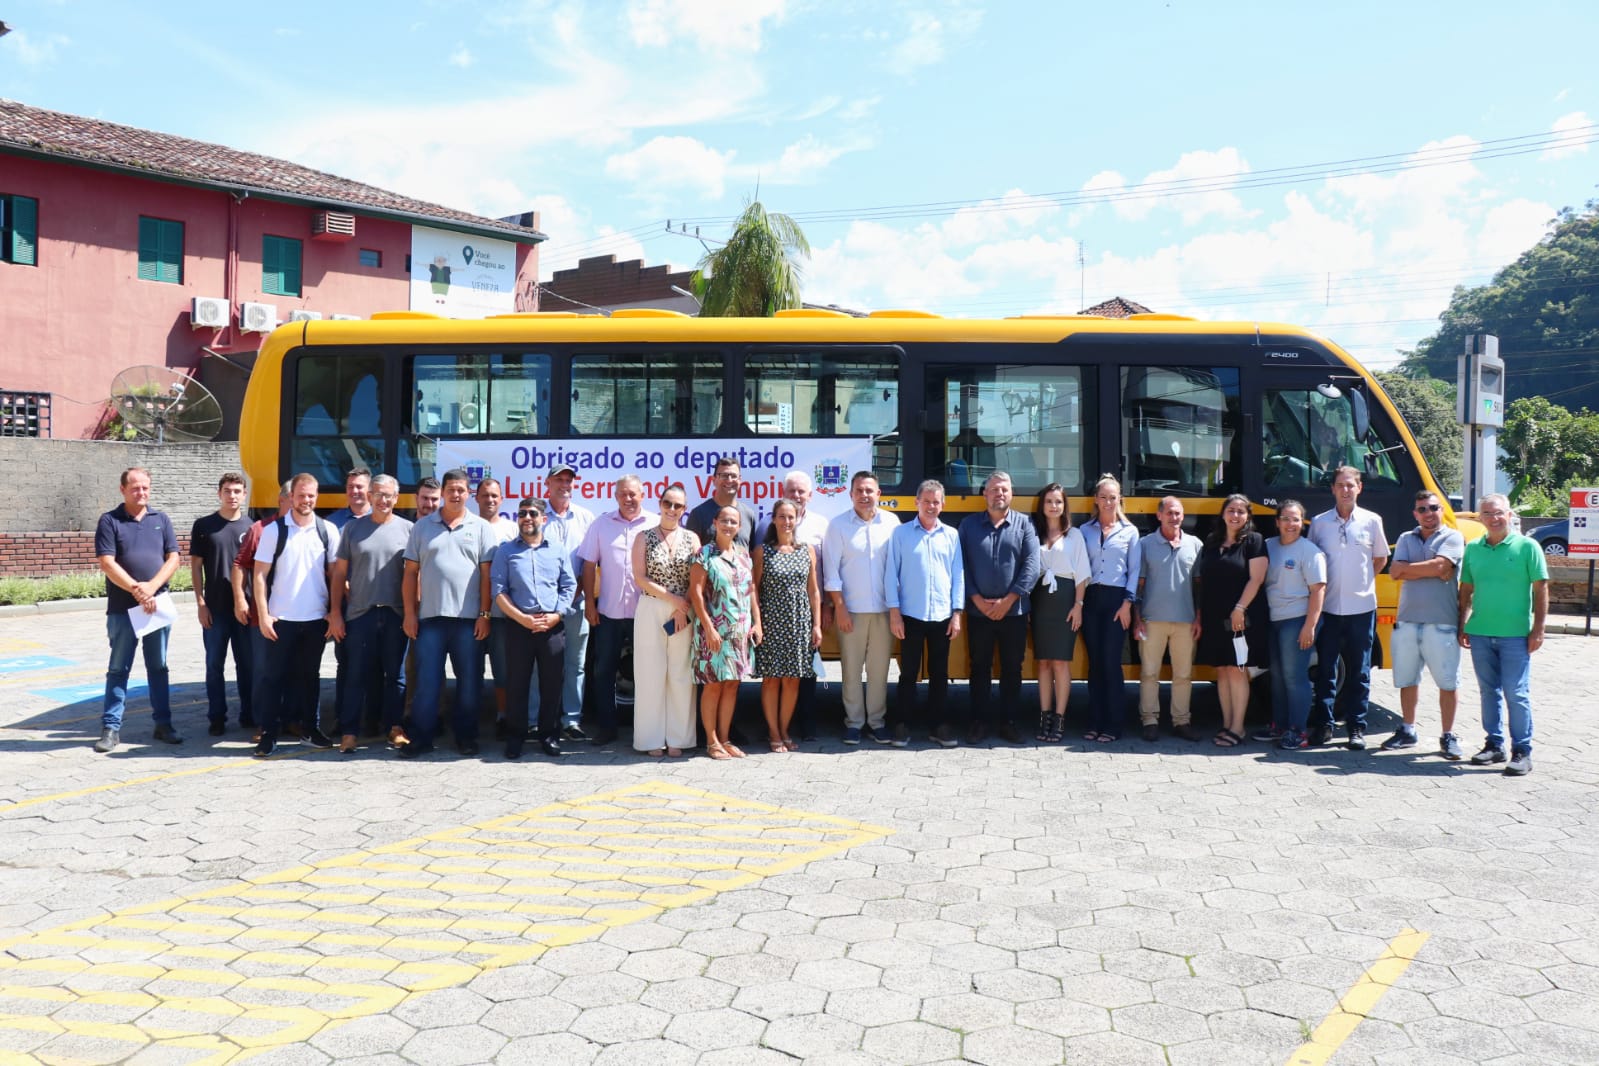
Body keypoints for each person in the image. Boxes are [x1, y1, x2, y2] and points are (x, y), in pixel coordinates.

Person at [401, 468, 496, 758]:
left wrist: (484, 614)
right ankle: (422, 738)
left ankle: (466, 737)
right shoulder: (422, 527)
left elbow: (487, 576)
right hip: (429, 620)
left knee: (469, 682)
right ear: (443, 492)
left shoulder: (481, 528)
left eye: (461, 490)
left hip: (469, 622)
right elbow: (409, 574)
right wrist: (409, 614)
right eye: (451, 489)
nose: (456, 494)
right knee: (427, 683)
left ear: (469, 494)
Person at [93, 467, 183, 753]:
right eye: (135, 488)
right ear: (123, 490)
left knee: (159, 667)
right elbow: (107, 563)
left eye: (145, 487)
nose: (141, 492)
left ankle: (164, 724)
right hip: (123, 610)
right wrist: (137, 589)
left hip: (157, 607)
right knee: (119, 669)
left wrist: (152, 588)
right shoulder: (110, 521)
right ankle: (111, 728)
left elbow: (174, 558)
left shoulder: (161, 519)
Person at [1458, 494, 1548, 777]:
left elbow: (1541, 589)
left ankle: (1522, 750)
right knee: (1488, 692)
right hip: (1481, 632)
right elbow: (1466, 591)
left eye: (1498, 513)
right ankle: (1494, 744)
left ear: (1509, 515)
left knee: (1516, 692)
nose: (1493, 518)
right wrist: (1463, 625)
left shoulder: (1527, 547)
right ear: (1481, 518)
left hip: (1516, 635)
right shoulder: (1473, 548)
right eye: (1487, 513)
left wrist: (1539, 629)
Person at [252, 473, 340, 757]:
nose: (306, 500)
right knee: (273, 678)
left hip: (315, 619)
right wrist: (264, 615)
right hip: (281, 620)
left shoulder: (327, 530)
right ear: (291, 497)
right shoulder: (274, 531)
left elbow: (336, 576)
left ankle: (310, 730)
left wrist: (335, 611)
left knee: (310, 678)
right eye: (301, 495)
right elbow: (259, 576)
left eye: (311, 496)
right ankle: (269, 733)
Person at [328, 474, 412, 753]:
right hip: (359, 614)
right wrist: (335, 613)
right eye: (378, 494)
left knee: (395, 676)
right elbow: (339, 574)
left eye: (389, 495)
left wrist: (413, 613)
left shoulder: (409, 530)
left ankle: (395, 728)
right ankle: (350, 732)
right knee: (355, 674)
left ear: (396, 498)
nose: (383, 500)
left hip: (395, 614)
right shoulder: (352, 530)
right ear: (370, 496)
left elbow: (415, 576)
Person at [1307, 466, 1389, 749]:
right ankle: (1324, 726)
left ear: (1359, 488)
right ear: (1332, 489)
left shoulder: (1372, 521)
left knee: (1359, 671)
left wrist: (1361, 581)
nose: (1345, 490)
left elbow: (1379, 559)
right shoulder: (1319, 523)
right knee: (1326, 670)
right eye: (1340, 485)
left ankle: (1356, 728)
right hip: (1328, 608)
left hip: (1362, 608)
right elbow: (1311, 561)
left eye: (1350, 485)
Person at [959, 471, 1041, 746]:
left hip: (1014, 613)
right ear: (985, 494)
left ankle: (1009, 722)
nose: (999, 494)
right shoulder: (968, 526)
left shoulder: (1025, 524)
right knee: (979, 668)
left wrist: (1009, 600)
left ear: (1012, 494)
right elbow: (961, 567)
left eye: (1004, 490)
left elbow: (1032, 566)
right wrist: (976, 599)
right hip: (978, 612)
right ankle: (978, 722)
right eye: (994, 490)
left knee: (1012, 669)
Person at [491, 498, 576, 760]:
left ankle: (548, 736)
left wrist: (557, 614)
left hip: (551, 627)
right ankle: (516, 737)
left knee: (552, 685)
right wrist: (521, 619)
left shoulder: (558, 550)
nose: (527, 518)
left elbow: (569, 585)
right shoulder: (505, 551)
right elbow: (499, 591)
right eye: (522, 514)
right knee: (517, 684)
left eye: (532, 513)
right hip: (519, 627)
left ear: (543, 519)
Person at [1383, 490, 1466, 759]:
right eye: (1422, 509)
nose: (1428, 513)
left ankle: (1448, 735)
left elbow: (1443, 566)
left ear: (1441, 509)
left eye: (1433, 507)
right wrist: (1432, 569)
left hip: (1442, 623)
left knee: (1447, 682)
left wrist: (1413, 568)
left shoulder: (1453, 536)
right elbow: (1395, 572)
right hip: (1407, 621)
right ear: (1415, 513)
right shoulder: (1406, 537)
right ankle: (1408, 730)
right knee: (1407, 679)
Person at [577, 475, 659, 746]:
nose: (628, 498)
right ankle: (606, 728)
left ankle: (646, 728)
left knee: (648, 673)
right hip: (608, 614)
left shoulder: (656, 524)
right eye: (623, 494)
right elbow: (589, 566)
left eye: (633, 494)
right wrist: (589, 602)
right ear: (615, 496)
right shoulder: (601, 524)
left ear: (643, 494)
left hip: (645, 615)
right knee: (603, 673)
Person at [885, 480, 964, 748]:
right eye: (926, 501)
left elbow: (958, 576)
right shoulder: (901, 534)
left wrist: (956, 613)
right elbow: (890, 575)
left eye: (936, 501)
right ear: (917, 502)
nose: (931, 506)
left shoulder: (951, 535)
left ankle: (938, 725)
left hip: (942, 615)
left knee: (939, 673)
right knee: (908, 673)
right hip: (910, 614)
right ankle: (903, 724)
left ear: (943, 504)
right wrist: (894, 613)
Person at [823, 471, 899, 745]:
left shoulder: (892, 523)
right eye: (859, 491)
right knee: (851, 670)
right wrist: (839, 607)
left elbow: (897, 569)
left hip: (883, 610)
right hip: (851, 610)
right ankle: (854, 723)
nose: (865, 495)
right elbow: (831, 572)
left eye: (870, 490)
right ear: (851, 494)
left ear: (879, 494)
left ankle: (877, 723)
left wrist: (895, 610)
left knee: (879, 671)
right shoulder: (838, 526)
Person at [756, 470, 830, 741]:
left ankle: (785, 729)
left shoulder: (807, 549)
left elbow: (814, 590)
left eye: (791, 517)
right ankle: (774, 733)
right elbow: (754, 588)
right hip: (771, 622)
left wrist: (817, 625)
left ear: (798, 519)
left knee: (793, 680)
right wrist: (757, 622)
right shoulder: (762, 551)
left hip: (800, 623)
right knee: (772, 679)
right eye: (782, 516)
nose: (787, 521)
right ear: (773, 519)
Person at [630, 483, 701, 757]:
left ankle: (678, 739)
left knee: (681, 675)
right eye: (668, 503)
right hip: (652, 607)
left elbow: (696, 578)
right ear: (660, 504)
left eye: (678, 505)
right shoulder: (643, 537)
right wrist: (675, 602)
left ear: (684, 510)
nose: (672, 509)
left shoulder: (692, 539)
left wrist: (684, 608)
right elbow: (640, 577)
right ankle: (650, 740)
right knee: (650, 674)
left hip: (684, 610)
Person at [1196, 493, 1269, 747]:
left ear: (1248, 516)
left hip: (1241, 617)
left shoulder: (1254, 541)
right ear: (1223, 513)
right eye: (1231, 510)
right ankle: (1226, 723)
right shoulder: (1212, 542)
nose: (1235, 515)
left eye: (1241, 511)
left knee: (1238, 671)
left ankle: (1238, 727)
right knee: (1223, 671)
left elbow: (1256, 579)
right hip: (1215, 617)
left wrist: (1240, 608)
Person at [690, 505, 762, 758]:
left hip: (740, 632)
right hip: (714, 632)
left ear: (739, 526)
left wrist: (757, 623)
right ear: (715, 523)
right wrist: (709, 628)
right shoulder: (704, 554)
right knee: (713, 685)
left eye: (733, 522)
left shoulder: (744, 555)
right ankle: (711, 741)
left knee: (732, 685)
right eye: (724, 521)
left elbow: (751, 591)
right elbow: (696, 594)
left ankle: (725, 737)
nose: (728, 525)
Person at [534, 463, 595, 744]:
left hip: (576, 602)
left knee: (575, 664)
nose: (564, 485)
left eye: (569, 480)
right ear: (547, 483)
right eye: (559, 480)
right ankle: (536, 720)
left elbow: (590, 564)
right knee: (540, 663)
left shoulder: (585, 518)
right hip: (542, 605)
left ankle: (571, 720)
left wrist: (575, 595)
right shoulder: (536, 515)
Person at [1132, 496, 1201, 742]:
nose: (1175, 517)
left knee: (1183, 675)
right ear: (1159, 515)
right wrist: (1137, 619)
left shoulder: (1195, 545)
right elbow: (1137, 586)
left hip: (1186, 621)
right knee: (1149, 673)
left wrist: (1198, 618)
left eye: (1178, 513)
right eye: (1170, 513)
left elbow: (1198, 587)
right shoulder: (1145, 544)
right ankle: (1149, 720)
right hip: (1151, 620)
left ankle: (1181, 721)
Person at [190, 472, 253, 737]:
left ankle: (249, 713)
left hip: (244, 609)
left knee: (246, 664)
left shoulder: (252, 527)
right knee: (214, 665)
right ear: (219, 494)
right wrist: (200, 603)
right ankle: (217, 717)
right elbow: (195, 567)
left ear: (244, 494)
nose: (232, 495)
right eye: (227, 491)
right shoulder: (204, 525)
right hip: (214, 609)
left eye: (237, 491)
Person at [1079, 474, 1140, 743]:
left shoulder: (1130, 532)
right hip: (1091, 598)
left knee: (1111, 662)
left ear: (1120, 499)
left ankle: (1114, 724)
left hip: (1117, 601)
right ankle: (1095, 721)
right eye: (1103, 497)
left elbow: (1134, 571)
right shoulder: (1084, 530)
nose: (1107, 502)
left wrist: (1128, 604)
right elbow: (1080, 569)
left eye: (1112, 497)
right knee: (1095, 664)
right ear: (1095, 499)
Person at [1263, 500, 1326, 750]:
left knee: (1294, 676)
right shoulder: (1268, 546)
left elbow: (1318, 590)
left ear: (1303, 522)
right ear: (1277, 522)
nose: (1291, 524)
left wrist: (1309, 626)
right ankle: (1279, 725)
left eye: (1296, 519)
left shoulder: (1309, 551)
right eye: (1286, 519)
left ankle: (1298, 732)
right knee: (1277, 677)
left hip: (1297, 619)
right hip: (1273, 619)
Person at [233, 482, 292, 740]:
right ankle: (263, 722)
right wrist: (240, 599)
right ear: (281, 500)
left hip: (296, 615)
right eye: (292, 498)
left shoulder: (309, 529)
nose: (298, 503)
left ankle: (292, 720)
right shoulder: (260, 529)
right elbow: (239, 565)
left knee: (295, 670)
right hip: (262, 615)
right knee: (263, 670)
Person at [1032, 483, 1089, 743]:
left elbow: (1082, 575)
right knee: (1043, 662)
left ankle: (1060, 718)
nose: (1054, 506)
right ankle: (1044, 717)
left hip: (1066, 599)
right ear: (1041, 506)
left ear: (1065, 506)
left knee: (1061, 662)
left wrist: (1078, 605)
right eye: (1049, 502)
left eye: (1058, 502)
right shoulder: (1033, 533)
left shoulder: (1075, 535)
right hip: (1041, 599)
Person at [326, 466, 372, 736]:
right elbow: (328, 566)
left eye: (360, 486)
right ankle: (344, 719)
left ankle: (372, 718)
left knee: (376, 665)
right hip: (344, 607)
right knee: (346, 663)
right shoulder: (333, 524)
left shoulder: (382, 518)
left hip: (374, 605)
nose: (356, 491)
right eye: (351, 487)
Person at [474, 477, 518, 741]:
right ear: (476, 498)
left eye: (494, 496)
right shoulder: (468, 525)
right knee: (471, 670)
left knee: (502, 670)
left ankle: (503, 716)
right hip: (471, 613)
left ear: (501, 499)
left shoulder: (512, 530)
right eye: (485, 495)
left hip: (502, 614)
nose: (489, 500)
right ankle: (472, 718)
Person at [685, 456, 758, 548]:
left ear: (740, 480)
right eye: (724, 475)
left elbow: (751, 554)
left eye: (734, 476)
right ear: (714, 480)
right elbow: (690, 554)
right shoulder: (698, 514)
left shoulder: (748, 514)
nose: (729, 480)